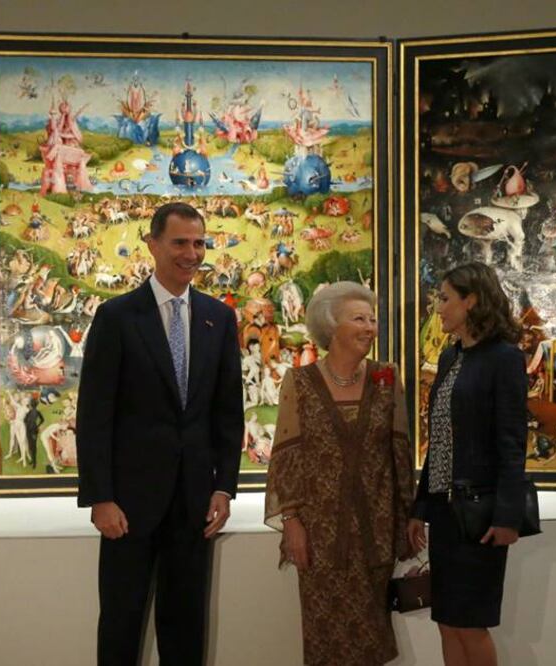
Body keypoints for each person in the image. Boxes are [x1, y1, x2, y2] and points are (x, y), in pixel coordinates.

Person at [77, 202, 243, 666]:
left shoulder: (218, 318)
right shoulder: (116, 318)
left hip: (193, 507)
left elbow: (228, 414)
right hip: (126, 508)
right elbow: (93, 416)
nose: (191, 253)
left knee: (185, 630)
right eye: (180, 243)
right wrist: (100, 498)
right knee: (120, 627)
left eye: (199, 243)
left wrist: (223, 487)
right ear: (152, 244)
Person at [265, 281, 415, 665]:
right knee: (325, 642)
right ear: (332, 327)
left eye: (372, 319)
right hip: (320, 538)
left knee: (372, 642)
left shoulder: (387, 377)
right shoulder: (299, 383)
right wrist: (293, 522)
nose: (370, 327)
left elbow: (399, 450)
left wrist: (409, 516)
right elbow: (287, 457)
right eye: (359, 319)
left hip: (374, 532)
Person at [407, 262, 528, 666]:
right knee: (447, 620)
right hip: (444, 513)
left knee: (471, 624)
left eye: (444, 299)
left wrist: (508, 517)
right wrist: (419, 509)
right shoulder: (449, 358)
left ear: (471, 300)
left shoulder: (504, 358)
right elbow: (439, 442)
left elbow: (512, 444)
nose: (438, 308)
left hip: (480, 513)